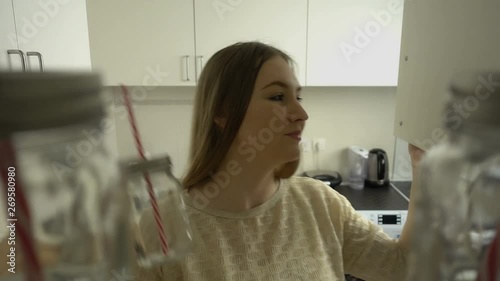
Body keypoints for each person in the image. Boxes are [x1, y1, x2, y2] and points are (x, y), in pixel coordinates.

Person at [133, 41, 423, 281]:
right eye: (278, 97)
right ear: (222, 113)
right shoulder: (163, 226)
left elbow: (403, 266)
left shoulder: (321, 204)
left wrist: (423, 168)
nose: (301, 113)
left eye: (298, 96)